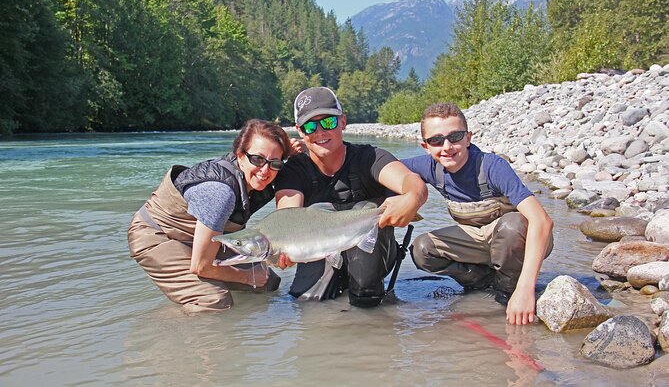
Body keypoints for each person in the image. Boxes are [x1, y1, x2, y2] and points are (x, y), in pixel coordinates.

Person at [274, 87, 427, 307]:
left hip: (371, 249)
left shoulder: (370, 157)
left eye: (328, 122)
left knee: (366, 299)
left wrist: (412, 199)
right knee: (307, 304)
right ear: (300, 131)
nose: (319, 132)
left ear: (343, 122)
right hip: (323, 249)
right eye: (310, 125)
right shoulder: (294, 171)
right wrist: (281, 245)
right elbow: (286, 218)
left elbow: (412, 182)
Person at [402, 102, 553, 325]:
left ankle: (509, 291)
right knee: (422, 249)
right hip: (477, 241)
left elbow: (542, 221)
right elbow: (382, 167)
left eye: (455, 137)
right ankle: (483, 282)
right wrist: (411, 195)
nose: (447, 147)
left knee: (512, 226)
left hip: (521, 237)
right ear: (425, 146)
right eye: (436, 140)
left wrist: (525, 289)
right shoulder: (428, 167)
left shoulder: (492, 167)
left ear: (468, 137)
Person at [128, 119, 294, 313]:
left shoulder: (255, 176)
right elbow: (201, 266)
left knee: (268, 282)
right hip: (158, 235)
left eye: (274, 163)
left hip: (200, 236)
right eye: (257, 159)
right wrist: (247, 277)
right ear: (240, 156)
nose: (265, 171)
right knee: (215, 300)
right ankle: (169, 330)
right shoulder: (220, 194)